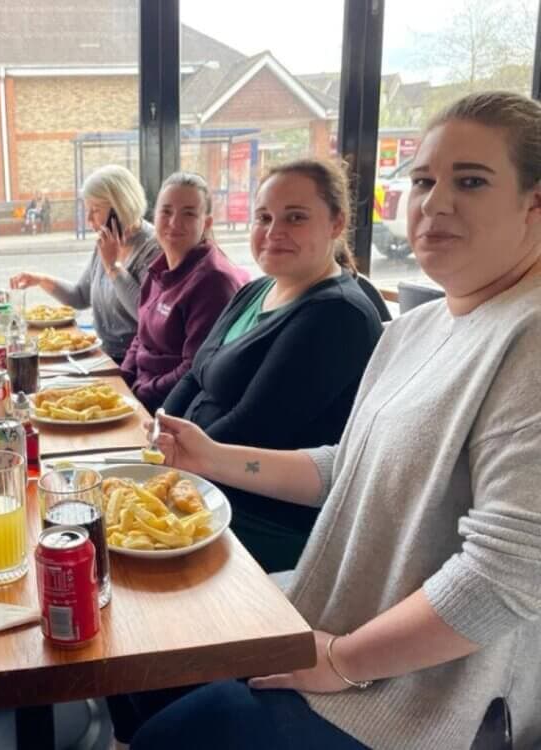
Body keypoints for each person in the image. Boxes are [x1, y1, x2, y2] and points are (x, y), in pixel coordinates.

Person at [130, 91, 541, 749]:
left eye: (470, 181)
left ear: (534, 204)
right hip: (331, 621)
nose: (434, 203)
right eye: (423, 181)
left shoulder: (529, 336)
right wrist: (210, 458)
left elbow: (507, 574)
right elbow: (346, 467)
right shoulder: (414, 329)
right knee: (148, 682)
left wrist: (342, 661)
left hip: (418, 699)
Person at [162, 158, 384, 572]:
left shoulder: (337, 314)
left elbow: (253, 427)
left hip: (262, 514)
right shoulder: (256, 290)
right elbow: (196, 372)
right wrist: (159, 430)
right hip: (204, 481)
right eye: (264, 217)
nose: (273, 231)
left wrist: (168, 466)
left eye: (295, 217)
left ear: (336, 223)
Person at [120, 172, 249, 412]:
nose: (174, 223)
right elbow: (141, 337)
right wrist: (122, 379)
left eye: (188, 213)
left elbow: (193, 369)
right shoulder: (157, 268)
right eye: (166, 212)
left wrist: (139, 393)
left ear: (206, 223)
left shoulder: (214, 282)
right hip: (140, 395)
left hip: (171, 409)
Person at [10, 164, 160, 362]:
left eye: (95, 210)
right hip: (103, 354)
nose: (89, 219)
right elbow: (80, 296)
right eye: (87, 210)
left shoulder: (153, 248)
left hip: (134, 362)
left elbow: (146, 315)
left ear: (121, 207)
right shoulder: (107, 241)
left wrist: (113, 267)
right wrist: (41, 280)